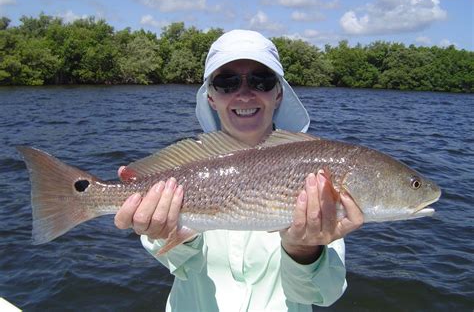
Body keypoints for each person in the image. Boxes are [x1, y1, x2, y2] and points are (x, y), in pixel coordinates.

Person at [114, 30, 363, 311]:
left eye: (261, 80)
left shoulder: (319, 171)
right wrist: (168, 233)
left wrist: (304, 250)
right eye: (227, 83)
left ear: (278, 93)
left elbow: (322, 294)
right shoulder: (183, 169)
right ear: (210, 98)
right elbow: (180, 265)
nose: (245, 94)